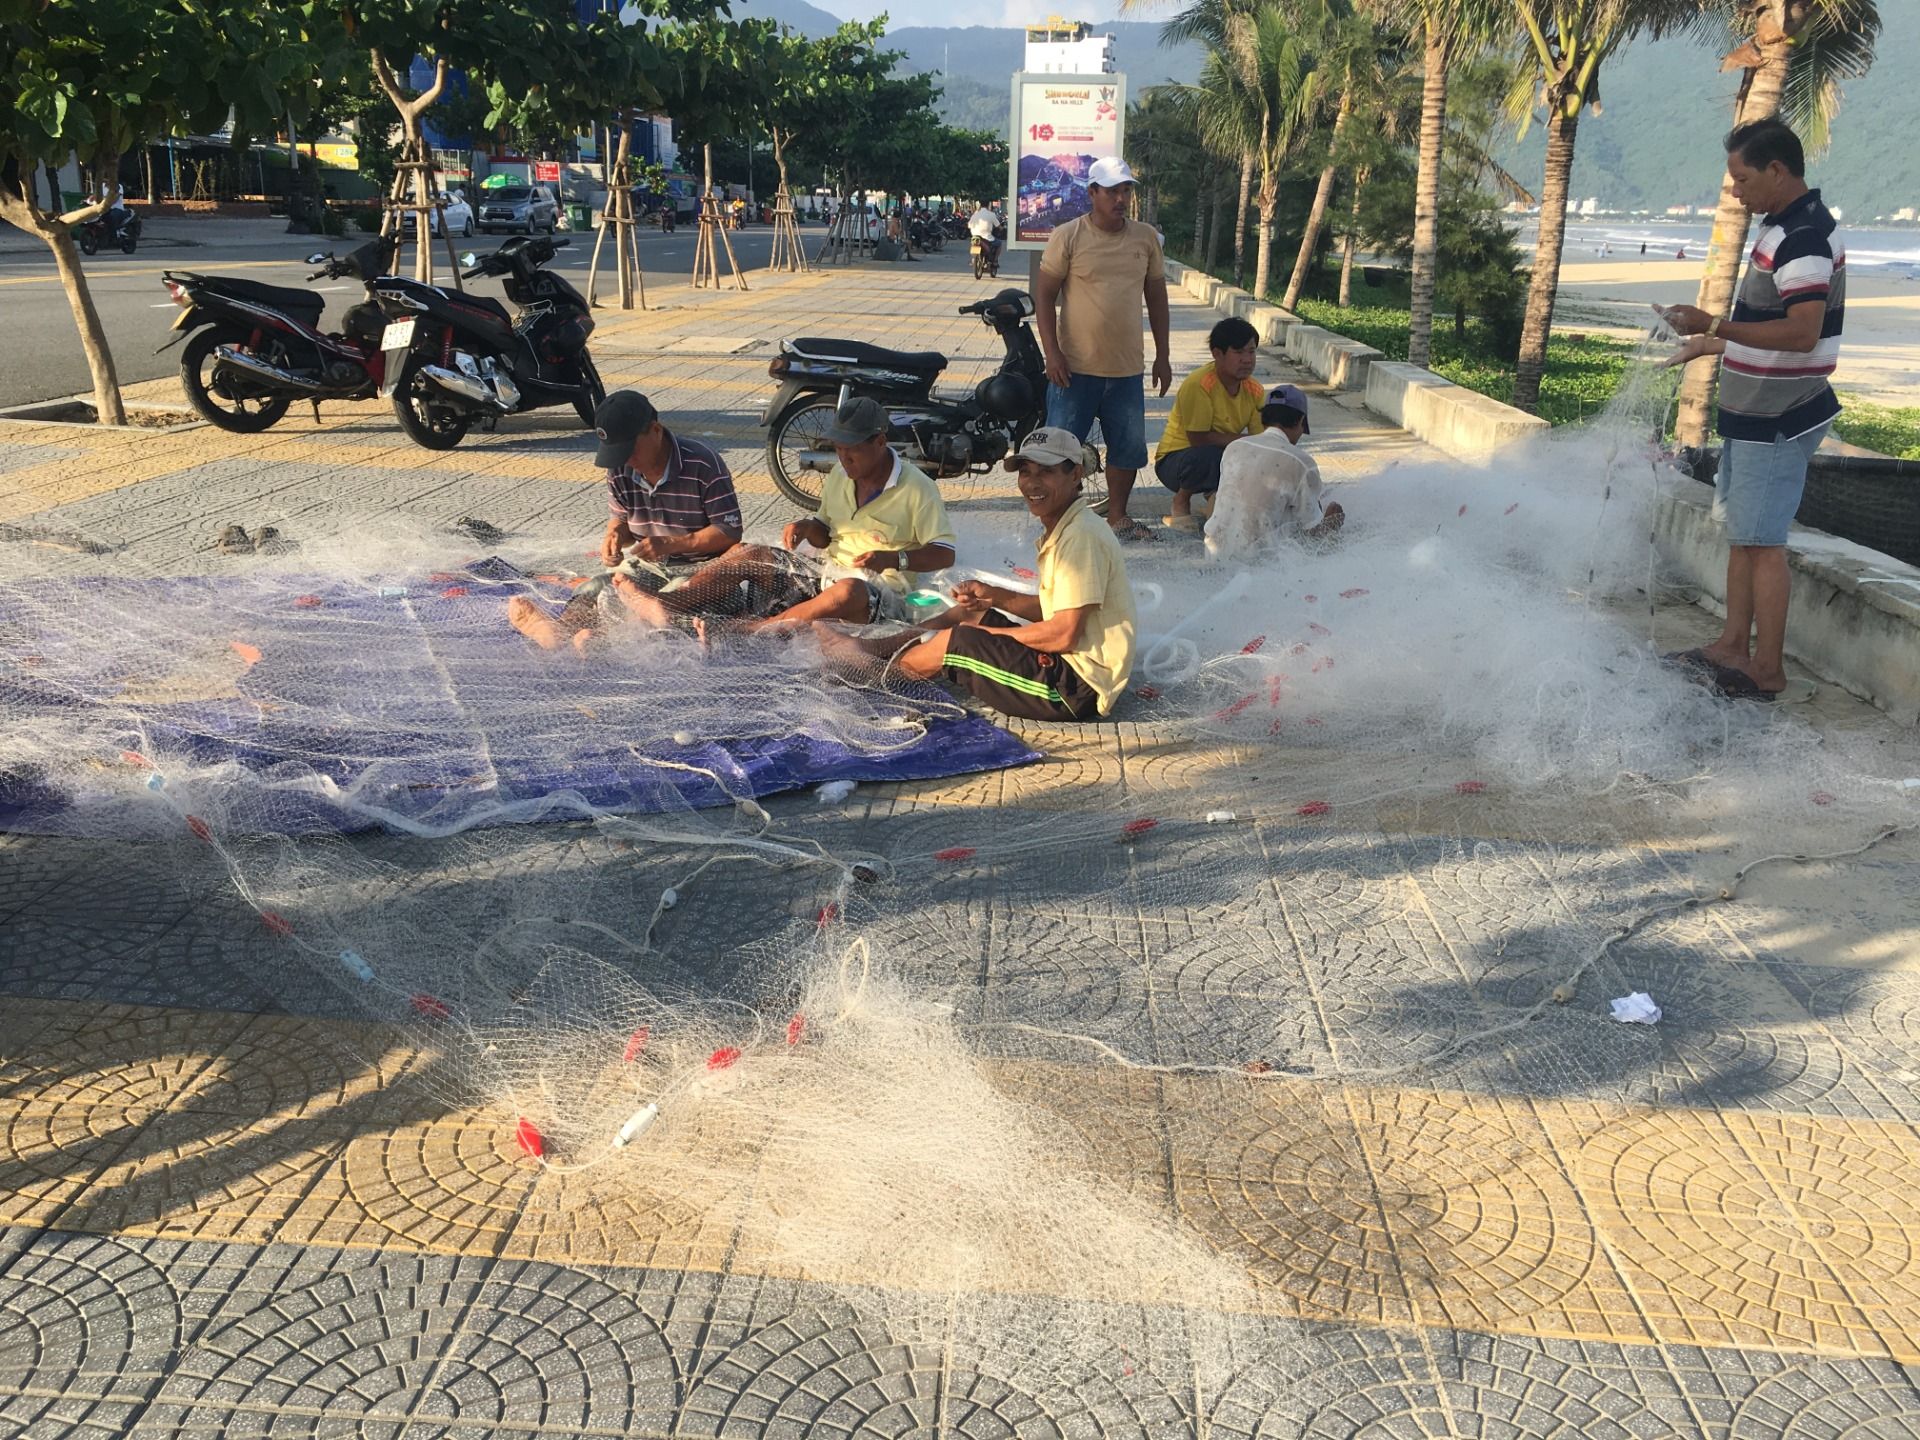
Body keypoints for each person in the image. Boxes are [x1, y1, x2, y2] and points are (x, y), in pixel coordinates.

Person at [1659, 118, 1843, 701]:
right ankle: (1732, 646)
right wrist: (1710, 343)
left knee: (1764, 544)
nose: (1736, 192)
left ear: (1777, 171)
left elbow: (1802, 334)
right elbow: (1769, 325)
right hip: (1752, 411)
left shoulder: (1804, 237)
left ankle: (1767, 669)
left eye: (1742, 179)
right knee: (1745, 537)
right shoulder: (1780, 228)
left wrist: (1715, 323)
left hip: (1778, 416)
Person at [824, 428, 1134, 722]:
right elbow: (1057, 610)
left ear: (1075, 474)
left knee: (958, 641)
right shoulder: (1069, 527)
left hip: (1073, 689)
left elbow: (1063, 634)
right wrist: (995, 596)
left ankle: (874, 676)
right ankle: (876, 649)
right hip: (1066, 667)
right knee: (969, 615)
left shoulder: (1081, 537)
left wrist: (985, 638)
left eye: (1046, 472)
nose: (1032, 484)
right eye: (1026, 472)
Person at [611, 396, 957, 636]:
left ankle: (753, 631)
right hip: (826, 572)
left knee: (849, 590)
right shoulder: (841, 475)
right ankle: (667, 604)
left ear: (880, 442)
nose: (843, 458)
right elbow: (825, 530)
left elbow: (944, 552)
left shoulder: (918, 488)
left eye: (851, 450)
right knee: (750, 552)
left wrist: (894, 558)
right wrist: (807, 528)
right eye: (838, 449)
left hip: (878, 591)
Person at [507, 391, 742, 650]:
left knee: (678, 601)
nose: (626, 460)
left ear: (655, 430)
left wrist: (671, 543)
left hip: (700, 568)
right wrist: (615, 535)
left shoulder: (703, 463)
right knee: (596, 589)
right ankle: (558, 629)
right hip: (649, 568)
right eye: (617, 453)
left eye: (629, 450)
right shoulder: (619, 468)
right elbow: (622, 520)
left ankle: (605, 640)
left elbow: (729, 531)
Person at [1034, 156, 1172, 545]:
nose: (1120, 198)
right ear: (1092, 192)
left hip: (1126, 369)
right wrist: (1052, 353)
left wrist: (1163, 356)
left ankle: (1117, 518)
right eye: (1112, 191)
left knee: (1127, 449)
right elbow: (1044, 296)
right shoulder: (1068, 236)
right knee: (1059, 451)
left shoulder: (1145, 238)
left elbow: (1157, 300)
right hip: (1073, 369)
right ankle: (1056, 524)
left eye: (1126, 190)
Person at [1153, 316, 1266, 532]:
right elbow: (1198, 439)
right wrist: (1246, 442)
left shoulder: (1255, 390)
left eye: (1251, 352)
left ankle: (1216, 502)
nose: (1247, 360)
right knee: (1212, 455)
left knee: (1257, 459)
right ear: (1217, 354)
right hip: (1176, 461)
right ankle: (1180, 502)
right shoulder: (1200, 384)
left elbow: (1262, 439)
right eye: (1238, 352)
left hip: (1220, 454)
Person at [1204, 387, 1344, 559]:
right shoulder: (1302, 462)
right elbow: (1313, 535)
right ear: (1301, 420)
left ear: (1264, 419)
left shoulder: (1234, 447)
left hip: (1214, 554)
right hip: (1264, 564)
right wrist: (1331, 523)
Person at [969, 201, 1004, 268]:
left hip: (975, 237)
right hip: (986, 237)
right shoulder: (991, 214)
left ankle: (973, 259)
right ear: (988, 205)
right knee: (999, 243)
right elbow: (998, 226)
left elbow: (969, 225)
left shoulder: (975, 214)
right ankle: (995, 261)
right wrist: (1002, 228)